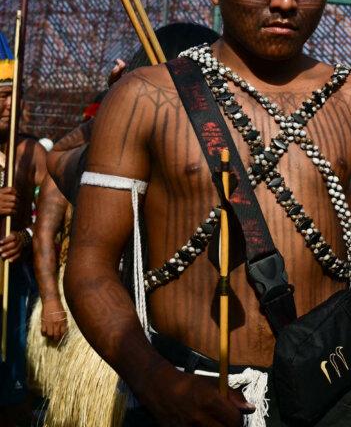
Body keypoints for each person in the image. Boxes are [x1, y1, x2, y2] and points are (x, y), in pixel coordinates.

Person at [65, 0, 351, 426]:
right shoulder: (147, 97)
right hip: (187, 398)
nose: (286, 0)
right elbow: (90, 268)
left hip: (325, 397)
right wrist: (156, 382)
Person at [29, 23, 219, 427]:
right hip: (116, 333)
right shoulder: (106, 159)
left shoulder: (199, 162)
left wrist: (125, 101)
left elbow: (60, 154)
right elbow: (53, 192)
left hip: (177, 343)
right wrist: (50, 300)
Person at [0, 34, 53, 427]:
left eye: (11, 93)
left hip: (17, 285)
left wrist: (25, 237)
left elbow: (54, 224)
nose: (6, 103)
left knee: (16, 393)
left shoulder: (33, 154)